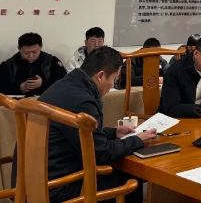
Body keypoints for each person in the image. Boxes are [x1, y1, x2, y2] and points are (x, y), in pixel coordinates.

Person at [14, 46, 157, 203]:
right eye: (114, 79)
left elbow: (77, 134)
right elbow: (101, 154)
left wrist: (113, 133)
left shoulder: (66, 85)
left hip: (27, 184)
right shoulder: (82, 100)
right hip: (55, 188)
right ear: (100, 76)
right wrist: (138, 140)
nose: (112, 85)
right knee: (130, 179)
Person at [0, 32, 66, 97]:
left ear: (41, 46)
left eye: (35, 52)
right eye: (26, 53)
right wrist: (19, 88)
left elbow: (64, 83)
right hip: (16, 101)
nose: (31, 56)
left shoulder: (51, 62)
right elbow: (2, 87)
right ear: (19, 49)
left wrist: (42, 83)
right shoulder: (9, 65)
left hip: (46, 100)